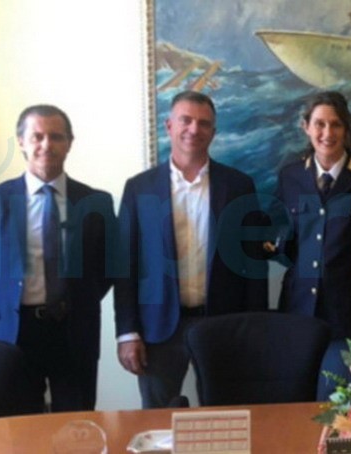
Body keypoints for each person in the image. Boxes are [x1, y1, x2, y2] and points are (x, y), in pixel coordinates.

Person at [114, 90, 267, 409]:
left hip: (223, 324)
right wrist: (127, 333)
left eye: (204, 123)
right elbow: (125, 266)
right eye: (186, 120)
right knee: (157, 418)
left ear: (214, 132)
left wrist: (254, 328)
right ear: (169, 126)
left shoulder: (238, 186)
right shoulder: (139, 188)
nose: (194, 129)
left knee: (228, 415)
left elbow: (253, 267)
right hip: (157, 328)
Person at [0, 104, 114, 411]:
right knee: (18, 421)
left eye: (56, 137)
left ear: (69, 143)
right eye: (37, 136)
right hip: (15, 330)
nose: (47, 145)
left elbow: (108, 268)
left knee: (76, 420)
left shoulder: (96, 202)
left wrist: (76, 297)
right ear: (21, 141)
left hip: (74, 328)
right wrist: (7, 297)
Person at [270, 91, 351, 400]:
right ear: (306, 127)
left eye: (336, 124)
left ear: (347, 129)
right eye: (320, 124)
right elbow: (284, 237)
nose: (328, 133)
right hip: (299, 311)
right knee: (296, 402)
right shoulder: (290, 177)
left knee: (346, 406)